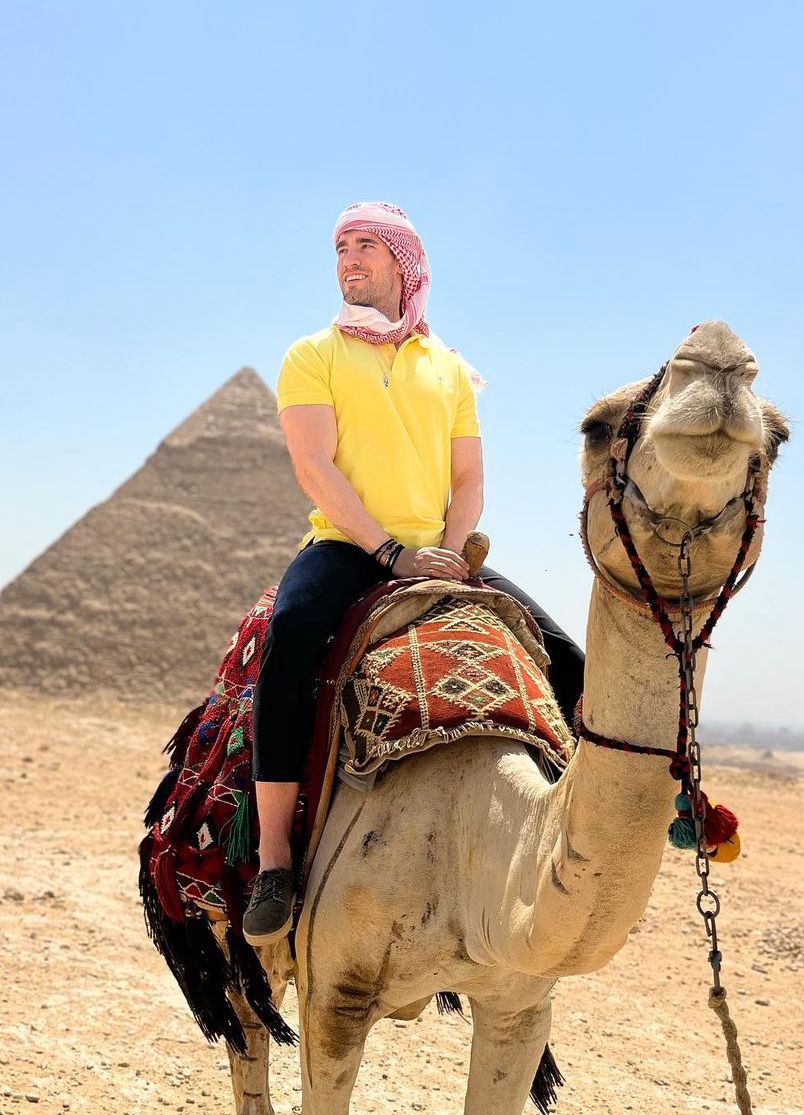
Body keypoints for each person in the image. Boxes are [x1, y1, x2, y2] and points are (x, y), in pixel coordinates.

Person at [242, 202, 584, 945]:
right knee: (290, 638)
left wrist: (452, 554)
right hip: (347, 547)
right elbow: (314, 465)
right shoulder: (313, 355)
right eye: (340, 247)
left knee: (569, 660)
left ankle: (585, 837)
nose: (349, 259)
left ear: (404, 261)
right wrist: (390, 554)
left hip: (441, 554)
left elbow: (469, 480)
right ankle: (273, 859)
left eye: (366, 244)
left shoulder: (449, 368)